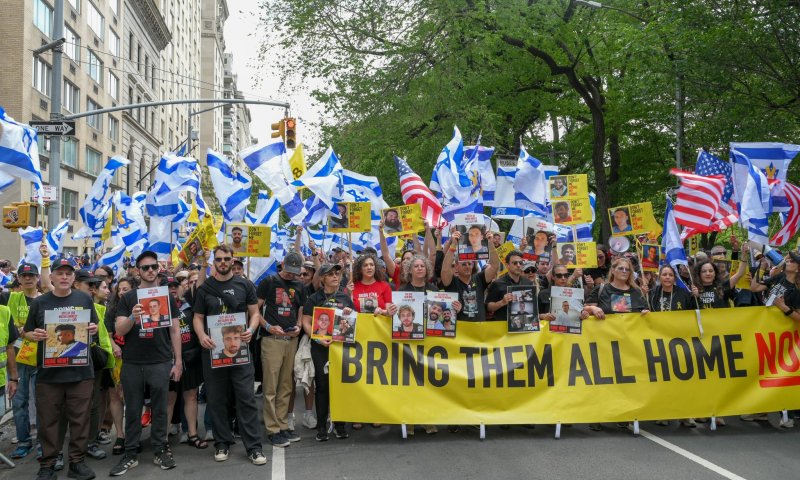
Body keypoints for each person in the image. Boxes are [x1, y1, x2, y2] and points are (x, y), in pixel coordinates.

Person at [23, 258, 99, 480]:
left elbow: (92, 327)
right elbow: (27, 332)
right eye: (60, 273)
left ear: (74, 278)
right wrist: (33, 335)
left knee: (80, 419)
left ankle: (77, 462)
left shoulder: (84, 299)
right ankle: (47, 464)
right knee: (48, 421)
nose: (64, 277)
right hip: (49, 374)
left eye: (68, 273)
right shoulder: (40, 302)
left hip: (81, 371)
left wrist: (93, 328)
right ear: (52, 277)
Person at [110, 251, 183, 476]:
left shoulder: (167, 297)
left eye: (153, 267)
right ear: (138, 271)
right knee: (132, 409)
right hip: (132, 362)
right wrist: (133, 317)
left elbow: (174, 329)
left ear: (158, 269)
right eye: (145, 268)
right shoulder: (128, 298)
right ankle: (130, 453)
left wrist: (178, 361)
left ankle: (160, 449)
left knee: (160, 409)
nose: (150, 271)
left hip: (160, 361)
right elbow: (119, 330)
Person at [194, 245, 267, 465]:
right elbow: (198, 317)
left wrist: (251, 329)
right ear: (214, 262)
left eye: (227, 258)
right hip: (214, 351)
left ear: (233, 260)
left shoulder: (245, 285)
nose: (223, 262)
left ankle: (254, 447)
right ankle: (222, 443)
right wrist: (200, 336)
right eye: (219, 259)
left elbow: (255, 313)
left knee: (246, 399)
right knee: (217, 400)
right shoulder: (205, 288)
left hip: (241, 352)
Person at [256, 251, 305, 448]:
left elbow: (300, 308)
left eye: (295, 272)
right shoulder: (268, 282)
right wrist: (267, 326)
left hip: (291, 340)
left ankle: (283, 424)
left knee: (286, 385)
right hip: (272, 340)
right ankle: (272, 428)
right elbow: (255, 310)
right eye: (289, 270)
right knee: (270, 386)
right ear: (282, 264)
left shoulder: (299, 285)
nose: (291, 275)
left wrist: (300, 326)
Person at [301, 263, 353, 441]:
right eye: (330, 274)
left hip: (341, 349)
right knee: (322, 387)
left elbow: (354, 322)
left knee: (340, 386)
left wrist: (348, 313)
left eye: (337, 273)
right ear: (322, 279)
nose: (335, 276)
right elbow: (305, 322)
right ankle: (321, 428)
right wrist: (317, 338)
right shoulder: (314, 298)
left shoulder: (345, 298)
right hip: (320, 348)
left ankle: (339, 425)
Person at [440, 228, 499, 322]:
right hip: (460, 331)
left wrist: (490, 244)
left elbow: (495, 265)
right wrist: (453, 245)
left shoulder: (479, 278)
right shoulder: (451, 281)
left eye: (470, 263)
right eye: (463, 264)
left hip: (478, 331)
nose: (467, 266)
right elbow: (445, 269)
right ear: (456, 266)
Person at [584, 258, 649, 317]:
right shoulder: (601, 289)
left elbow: (646, 311)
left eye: (627, 269)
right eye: (621, 268)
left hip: (631, 329)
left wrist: (645, 313)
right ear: (612, 270)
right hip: (606, 329)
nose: (624, 271)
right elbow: (585, 310)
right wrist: (593, 308)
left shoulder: (637, 291)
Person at [486, 250, 533, 322]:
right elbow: (488, 307)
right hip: (503, 326)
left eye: (520, 263)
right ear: (507, 265)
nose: (518, 265)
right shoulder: (497, 284)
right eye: (515, 263)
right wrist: (502, 302)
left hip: (524, 325)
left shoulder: (528, 283)